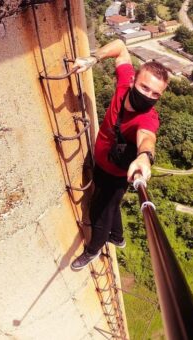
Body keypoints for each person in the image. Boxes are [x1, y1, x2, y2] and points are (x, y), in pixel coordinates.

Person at [71, 39, 169, 270]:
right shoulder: (125, 83)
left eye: (155, 94)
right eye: (145, 87)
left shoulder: (147, 118)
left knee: (99, 213)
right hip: (102, 164)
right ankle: (118, 237)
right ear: (134, 79)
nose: (148, 95)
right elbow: (120, 47)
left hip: (117, 175)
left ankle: (93, 250)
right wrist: (92, 59)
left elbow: (147, 137)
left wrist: (145, 156)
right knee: (112, 206)